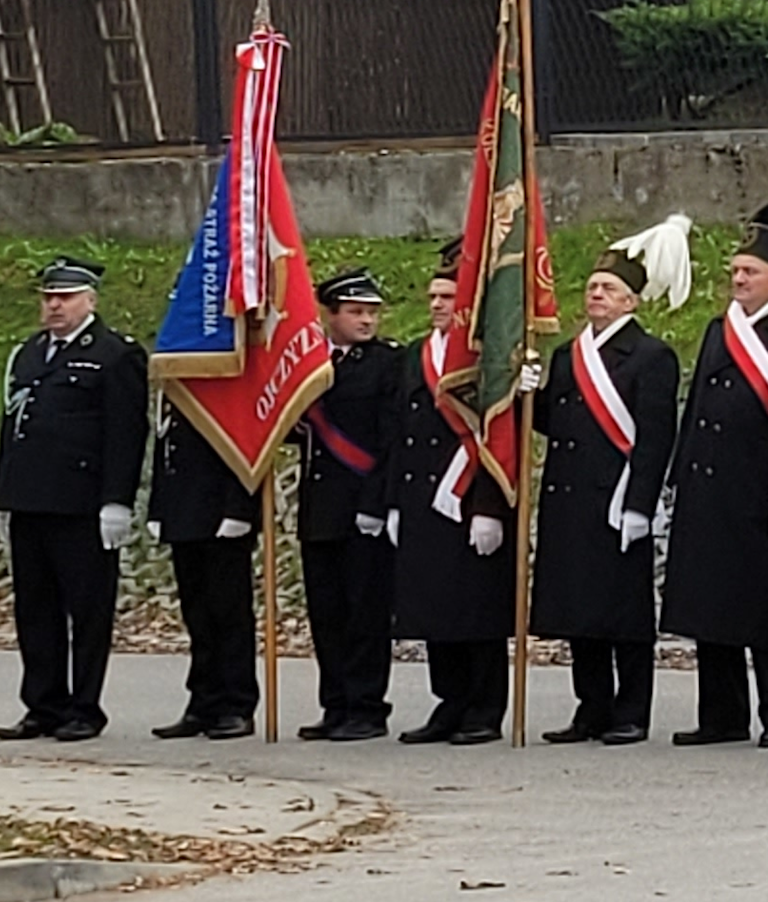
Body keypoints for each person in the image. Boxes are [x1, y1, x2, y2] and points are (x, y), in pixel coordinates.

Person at [660, 184, 768, 748]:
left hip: (758, 495)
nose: (738, 280)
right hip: (707, 492)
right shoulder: (720, 331)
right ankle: (723, 715)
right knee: (709, 605)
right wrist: (678, 477)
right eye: (735, 270)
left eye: (749, 272)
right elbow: (696, 410)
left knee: (766, 607)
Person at [530, 229, 683, 744]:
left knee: (625, 614)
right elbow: (556, 423)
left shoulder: (651, 356)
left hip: (616, 500)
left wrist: (640, 504)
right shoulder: (567, 356)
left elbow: (655, 437)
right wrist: (529, 397)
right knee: (580, 611)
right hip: (569, 499)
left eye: (609, 289)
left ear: (631, 302)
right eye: (593, 287)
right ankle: (591, 708)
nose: (596, 294)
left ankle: (631, 711)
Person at [0, 253, 149, 742]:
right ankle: (43, 705)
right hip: (29, 499)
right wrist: (2, 494)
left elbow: (126, 432)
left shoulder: (114, 354)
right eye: (48, 297)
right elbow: (12, 426)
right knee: (35, 610)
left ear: (90, 301)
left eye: (65, 297)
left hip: (81, 504)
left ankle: (84, 707)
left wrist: (117, 501)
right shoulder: (28, 353)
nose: (54, 306)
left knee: (88, 611)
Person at [387, 252, 519, 744]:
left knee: (476, 609)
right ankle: (450, 701)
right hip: (423, 498)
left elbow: (499, 436)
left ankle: (484, 709)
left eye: (447, 297)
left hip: (472, 499)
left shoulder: (487, 356)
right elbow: (396, 431)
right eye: (433, 297)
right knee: (434, 608)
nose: (438, 305)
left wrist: (490, 508)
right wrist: (393, 501)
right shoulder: (415, 355)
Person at [291, 271, 405, 740]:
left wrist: (377, 503)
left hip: (364, 507)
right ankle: (335, 703)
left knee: (365, 614)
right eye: (356, 312)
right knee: (327, 612)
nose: (366, 320)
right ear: (330, 315)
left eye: (372, 312)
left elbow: (391, 438)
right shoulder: (308, 362)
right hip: (321, 506)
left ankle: (367, 707)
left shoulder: (388, 364)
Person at [144, 397, 260, 738]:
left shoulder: (230, 389)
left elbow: (248, 447)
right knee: (198, 615)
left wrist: (241, 508)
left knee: (230, 615)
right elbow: (166, 449)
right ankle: (203, 701)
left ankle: (236, 705)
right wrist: (159, 507)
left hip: (221, 513)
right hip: (184, 511)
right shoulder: (176, 391)